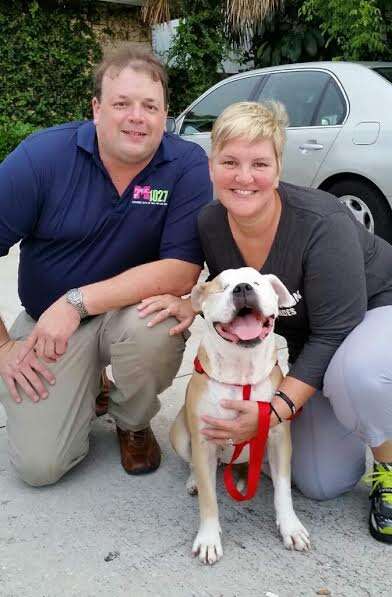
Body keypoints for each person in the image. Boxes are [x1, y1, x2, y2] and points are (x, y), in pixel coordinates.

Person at [139, 100, 392, 544]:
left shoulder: (322, 221)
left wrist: (271, 411)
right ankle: (347, 411)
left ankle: (389, 461)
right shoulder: (212, 223)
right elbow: (223, 292)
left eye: (259, 163)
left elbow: (335, 331)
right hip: (311, 340)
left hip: (373, 312)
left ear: (278, 169)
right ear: (212, 167)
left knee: (358, 372)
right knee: (320, 481)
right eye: (230, 162)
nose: (244, 176)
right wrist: (189, 303)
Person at [0, 43, 212, 485]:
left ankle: (132, 422)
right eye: (122, 103)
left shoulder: (186, 164)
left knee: (156, 330)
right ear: (96, 109)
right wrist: (3, 348)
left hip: (126, 318)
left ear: (165, 114)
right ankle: (87, 385)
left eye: (150, 106)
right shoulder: (41, 158)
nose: (137, 116)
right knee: (41, 468)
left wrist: (76, 301)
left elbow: (181, 270)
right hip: (51, 326)